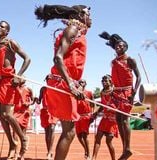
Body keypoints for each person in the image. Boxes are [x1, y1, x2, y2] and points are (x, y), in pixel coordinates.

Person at [34, 4, 92, 160]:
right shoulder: (72, 30)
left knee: (69, 130)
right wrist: (71, 84)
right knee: (69, 131)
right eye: (88, 13)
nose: (91, 17)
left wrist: (76, 83)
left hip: (63, 82)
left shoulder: (77, 32)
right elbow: (58, 58)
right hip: (62, 83)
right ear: (79, 15)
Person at [0, 20, 31, 159]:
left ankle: (23, 138)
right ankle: (12, 143)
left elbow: (27, 59)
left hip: (9, 81)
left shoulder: (11, 43)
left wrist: (19, 75)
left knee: (8, 114)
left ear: (7, 31)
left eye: (2, 27)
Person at [100, 32, 141, 160]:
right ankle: (125, 149)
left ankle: (127, 148)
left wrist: (134, 91)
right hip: (116, 92)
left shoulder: (130, 60)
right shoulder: (113, 62)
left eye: (122, 45)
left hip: (127, 92)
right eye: (117, 45)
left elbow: (139, 76)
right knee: (118, 119)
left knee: (124, 119)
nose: (119, 46)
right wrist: (112, 90)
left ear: (126, 47)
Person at [92, 75, 118, 160]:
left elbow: (119, 105)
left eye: (105, 81)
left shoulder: (115, 92)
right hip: (105, 119)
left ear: (110, 81)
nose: (103, 82)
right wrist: (96, 112)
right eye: (102, 81)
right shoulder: (102, 92)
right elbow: (102, 106)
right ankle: (93, 158)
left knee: (108, 142)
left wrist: (113, 107)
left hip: (112, 120)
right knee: (97, 139)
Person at [35, 85, 59, 160]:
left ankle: (50, 151)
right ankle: (48, 150)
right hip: (45, 111)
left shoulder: (57, 88)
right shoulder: (43, 89)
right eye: (48, 79)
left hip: (54, 111)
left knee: (52, 128)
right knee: (47, 132)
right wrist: (35, 100)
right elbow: (39, 101)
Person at [12, 82, 34, 160]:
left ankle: (22, 153)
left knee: (23, 134)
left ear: (24, 80)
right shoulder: (15, 87)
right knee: (14, 133)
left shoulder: (29, 89)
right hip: (16, 112)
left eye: (22, 78)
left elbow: (33, 101)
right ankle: (15, 152)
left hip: (25, 113)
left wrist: (28, 103)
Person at [75, 79, 94, 160]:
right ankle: (85, 149)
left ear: (85, 84)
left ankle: (88, 154)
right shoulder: (75, 93)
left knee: (84, 135)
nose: (81, 83)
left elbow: (93, 104)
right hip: (78, 116)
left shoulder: (89, 93)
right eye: (79, 82)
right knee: (79, 136)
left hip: (86, 116)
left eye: (82, 82)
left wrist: (92, 114)